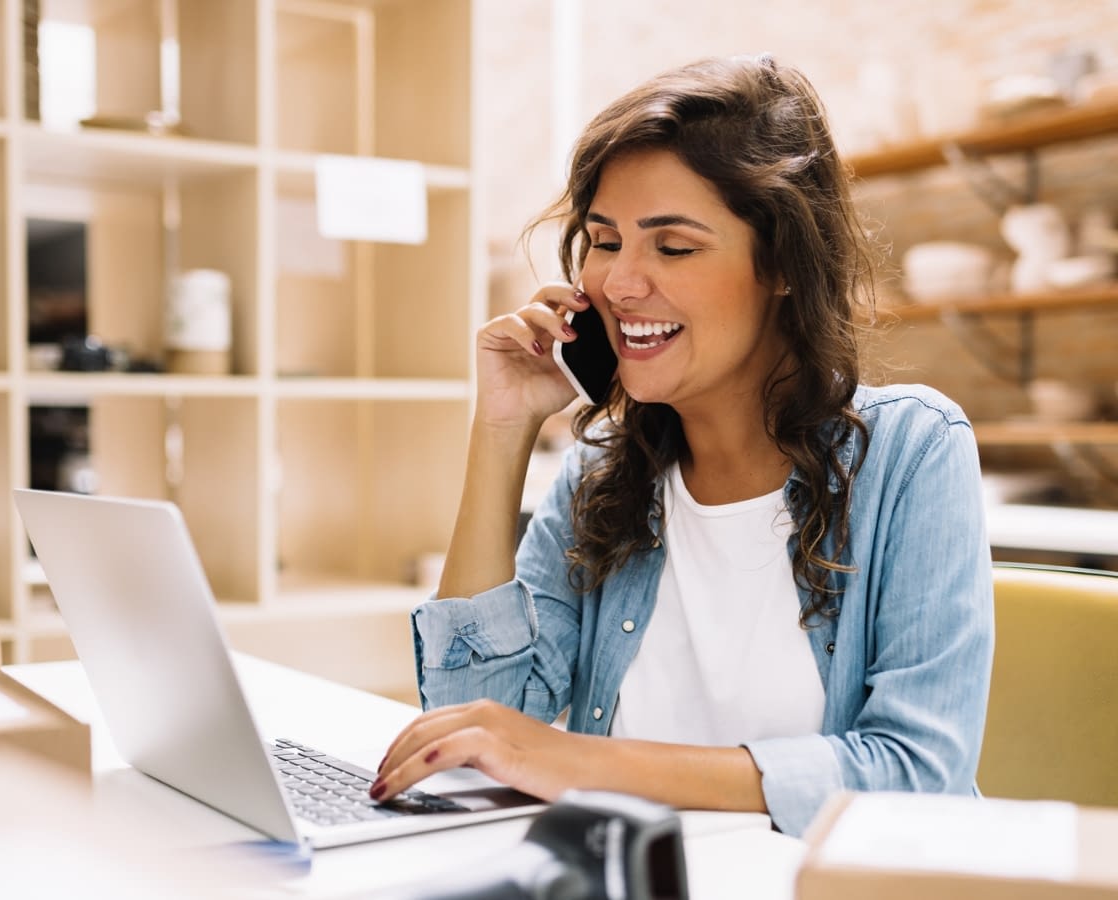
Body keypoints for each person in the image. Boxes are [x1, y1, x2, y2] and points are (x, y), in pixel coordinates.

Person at [370, 55, 993, 838]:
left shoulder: (913, 450)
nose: (621, 284)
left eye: (673, 248)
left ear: (783, 266)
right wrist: (503, 428)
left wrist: (576, 762)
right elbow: (477, 722)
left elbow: (915, 772)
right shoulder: (600, 477)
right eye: (603, 241)